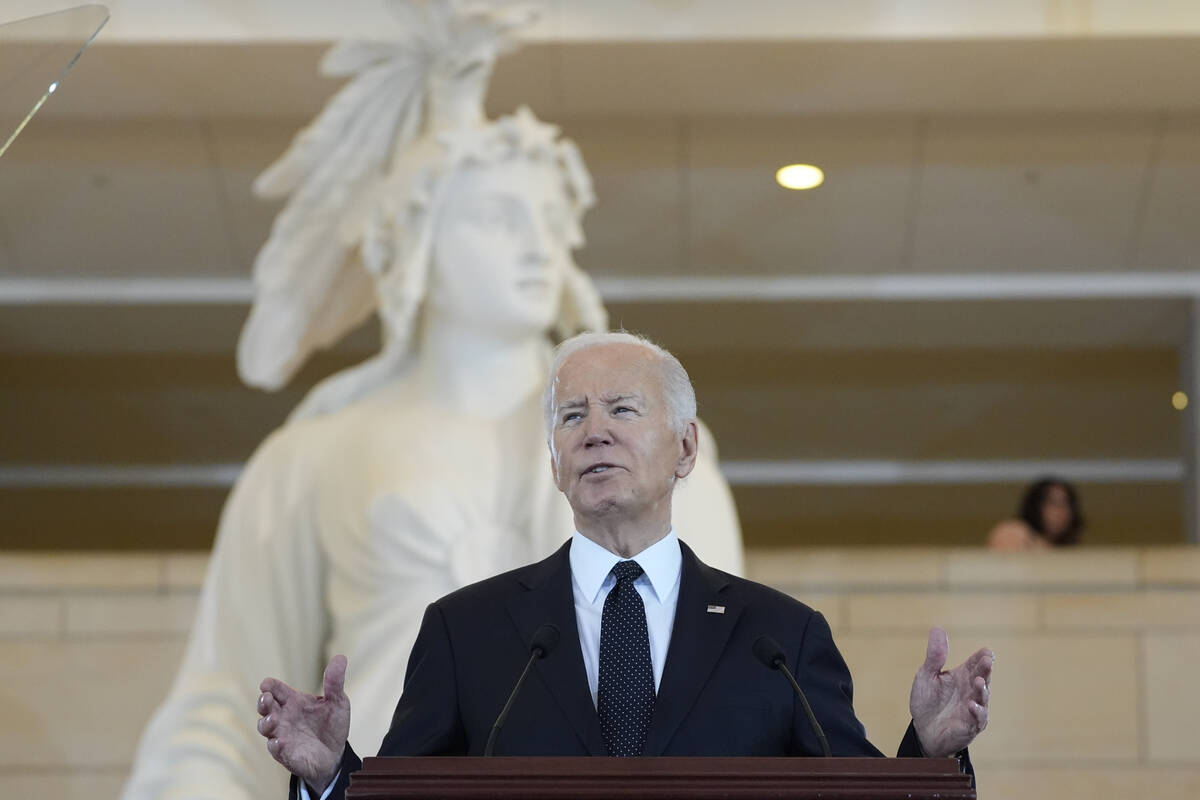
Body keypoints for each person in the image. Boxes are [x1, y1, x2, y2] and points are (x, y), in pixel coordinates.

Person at [119, 8, 742, 798]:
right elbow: (227, 698)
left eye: (548, 220)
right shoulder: (314, 456)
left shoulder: (658, 445)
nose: (534, 246)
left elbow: (719, 681)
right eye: (496, 218)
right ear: (413, 242)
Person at [257, 332, 994, 800]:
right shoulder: (467, 631)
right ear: (554, 463)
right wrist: (329, 777)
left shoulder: (779, 638)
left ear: (685, 449)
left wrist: (927, 752)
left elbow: (856, 796)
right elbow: (407, 798)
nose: (594, 432)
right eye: (572, 417)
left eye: (622, 410)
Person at [987, 477, 1084, 551]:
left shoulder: (1069, 550)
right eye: (1053, 503)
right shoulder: (1014, 532)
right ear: (1036, 505)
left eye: (1067, 504)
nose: (1061, 511)